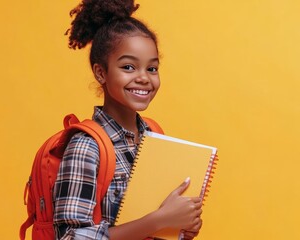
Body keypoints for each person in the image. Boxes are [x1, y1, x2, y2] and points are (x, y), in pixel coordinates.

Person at [53, 0, 203, 239]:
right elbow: (70, 237)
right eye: (129, 67)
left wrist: (181, 226)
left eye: (152, 69)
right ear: (101, 72)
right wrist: (158, 220)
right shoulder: (87, 147)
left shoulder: (153, 136)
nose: (144, 78)